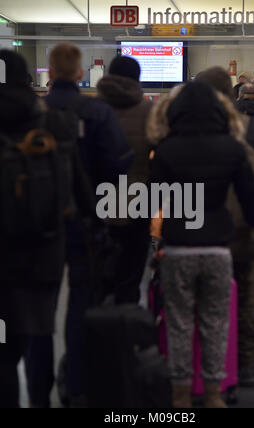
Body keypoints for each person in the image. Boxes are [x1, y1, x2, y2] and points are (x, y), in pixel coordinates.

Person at [25, 43, 133, 408]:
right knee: (81, 306)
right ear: (79, 72)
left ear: (50, 72)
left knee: (40, 312)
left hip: (39, 228)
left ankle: (38, 392)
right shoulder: (96, 112)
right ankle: (76, 385)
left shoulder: (32, 114)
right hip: (86, 223)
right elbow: (118, 168)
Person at [150, 80, 254, 409]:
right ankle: (214, 393)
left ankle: (181, 393)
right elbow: (250, 194)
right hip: (217, 248)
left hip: (178, 247)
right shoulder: (232, 147)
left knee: (180, 323)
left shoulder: (167, 148)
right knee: (216, 322)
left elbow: (155, 197)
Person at [0, 50, 95, 409]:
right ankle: (42, 396)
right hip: (43, 248)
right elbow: (79, 187)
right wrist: (92, 227)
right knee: (37, 329)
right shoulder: (52, 122)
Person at [196, 67, 254, 388]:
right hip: (244, 226)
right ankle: (243, 364)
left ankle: (210, 366)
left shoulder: (192, 131)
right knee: (244, 297)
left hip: (202, 230)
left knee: (203, 300)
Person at [97, 56, 152, 304]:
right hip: (138, 200)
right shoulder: (149, 110)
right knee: (132, 264)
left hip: (98, 199)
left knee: (99, 266)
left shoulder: (92, 109)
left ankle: (98, 326)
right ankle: (126, 322)